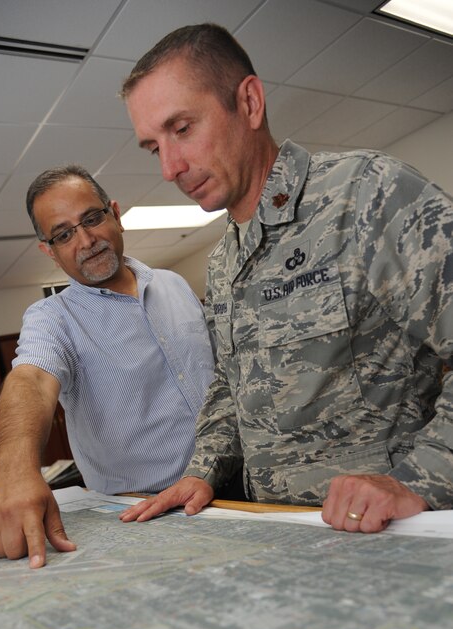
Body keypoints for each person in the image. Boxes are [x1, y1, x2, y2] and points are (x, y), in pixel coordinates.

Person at [119, 22, 453, 533]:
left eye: (182, 128)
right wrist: (203, 470)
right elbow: (232, 385)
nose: (169, 168)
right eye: (153, 147)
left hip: (382, 536)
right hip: (279, 533)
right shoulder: (223, 261)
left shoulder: (365, 194)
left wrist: (417, 479)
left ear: (250, 103)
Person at [0, 165, 216, 567]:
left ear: (115, 214)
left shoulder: (173, 284)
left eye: (91, 218)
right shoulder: (53, 319)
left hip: (234, 487)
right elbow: (31, 380)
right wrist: (13, 472)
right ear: (49, 251)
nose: (86, 241)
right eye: (64, 234)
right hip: (149, 516)